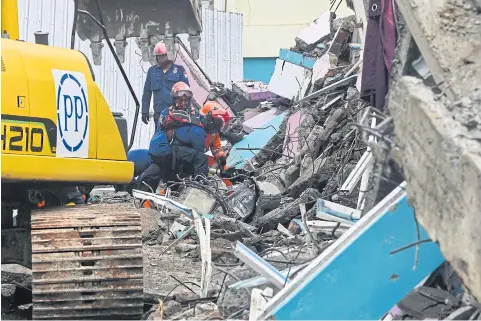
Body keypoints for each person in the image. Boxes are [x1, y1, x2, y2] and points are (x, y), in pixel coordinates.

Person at [141, 41, 190, 132]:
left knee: (176, 140)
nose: (161, 58)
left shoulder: (179, 70)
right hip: (159, 114)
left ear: (169, 55)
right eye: (159, 56)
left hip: (176, 114)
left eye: (163, 56)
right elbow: (147, 93)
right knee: (160, 139)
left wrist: (188, 112)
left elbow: (187, 94)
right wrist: (144, 111)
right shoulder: (152, 71)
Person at [199, 101, 231, 169]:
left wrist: (221, 156)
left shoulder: (213, 133)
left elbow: (216, 148)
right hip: (189, 158)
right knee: (215, 166)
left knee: (225, 167)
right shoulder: (195, 129)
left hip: (198, 156)